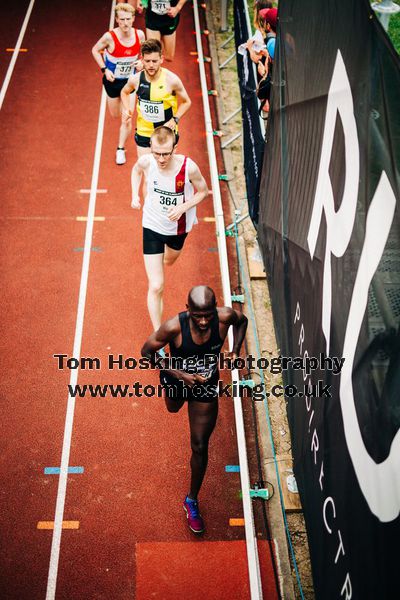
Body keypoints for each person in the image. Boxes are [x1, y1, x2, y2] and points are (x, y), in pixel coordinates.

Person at [141, 285, 248, 533]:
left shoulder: (225, 317)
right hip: (177, 379)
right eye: (197, 315)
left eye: (207, 315)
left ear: (215, 309)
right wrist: (178, 373)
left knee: (200, 445)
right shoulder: (173, 327)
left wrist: (235, 351)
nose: (202, 321)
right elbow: (146, 351)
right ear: (188, 309)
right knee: (172, 408)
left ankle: (192, 500)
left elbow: (241, 322)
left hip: (206, 384)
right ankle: (176, 388)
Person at [131, 126, 208, 330]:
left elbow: (203, 191)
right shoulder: (147, 161)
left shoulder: (188, 167)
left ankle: (160, 259)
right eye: (157, 153)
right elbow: (136, 170)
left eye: (166, 153)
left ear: (175, 148)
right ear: (151, 148)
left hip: (177, 229)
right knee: (156, 285)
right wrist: (134, 195)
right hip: (152, 224)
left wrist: (183, 207)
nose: (162, 159)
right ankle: (158, 333)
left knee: (170, 261)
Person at [92, 3, 145, 165]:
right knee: (115, 114)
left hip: (130, 83)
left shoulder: (140, 35)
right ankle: (122, 127)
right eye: (122, 20)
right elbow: (94, 50)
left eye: (128, 19)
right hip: (112, 82)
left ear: (133, 19)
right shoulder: (109, 37)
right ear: (116, 20)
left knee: (126, 118)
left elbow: (144, 53)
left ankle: (120, 149)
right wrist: (104, 70)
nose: (125, 23)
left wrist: (141, 62)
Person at [121, 39, 191, 157]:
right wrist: (127, 109)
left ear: (161, 59)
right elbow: (124, 92)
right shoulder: (135, 79)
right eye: (147, 61)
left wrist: (175, 119)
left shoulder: (172, 80)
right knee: (147, 171)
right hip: (144, 131)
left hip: (166, 132)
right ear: (142, 60)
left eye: (155, 61)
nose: (151, 65)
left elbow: (187, 102)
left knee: (166, 172)